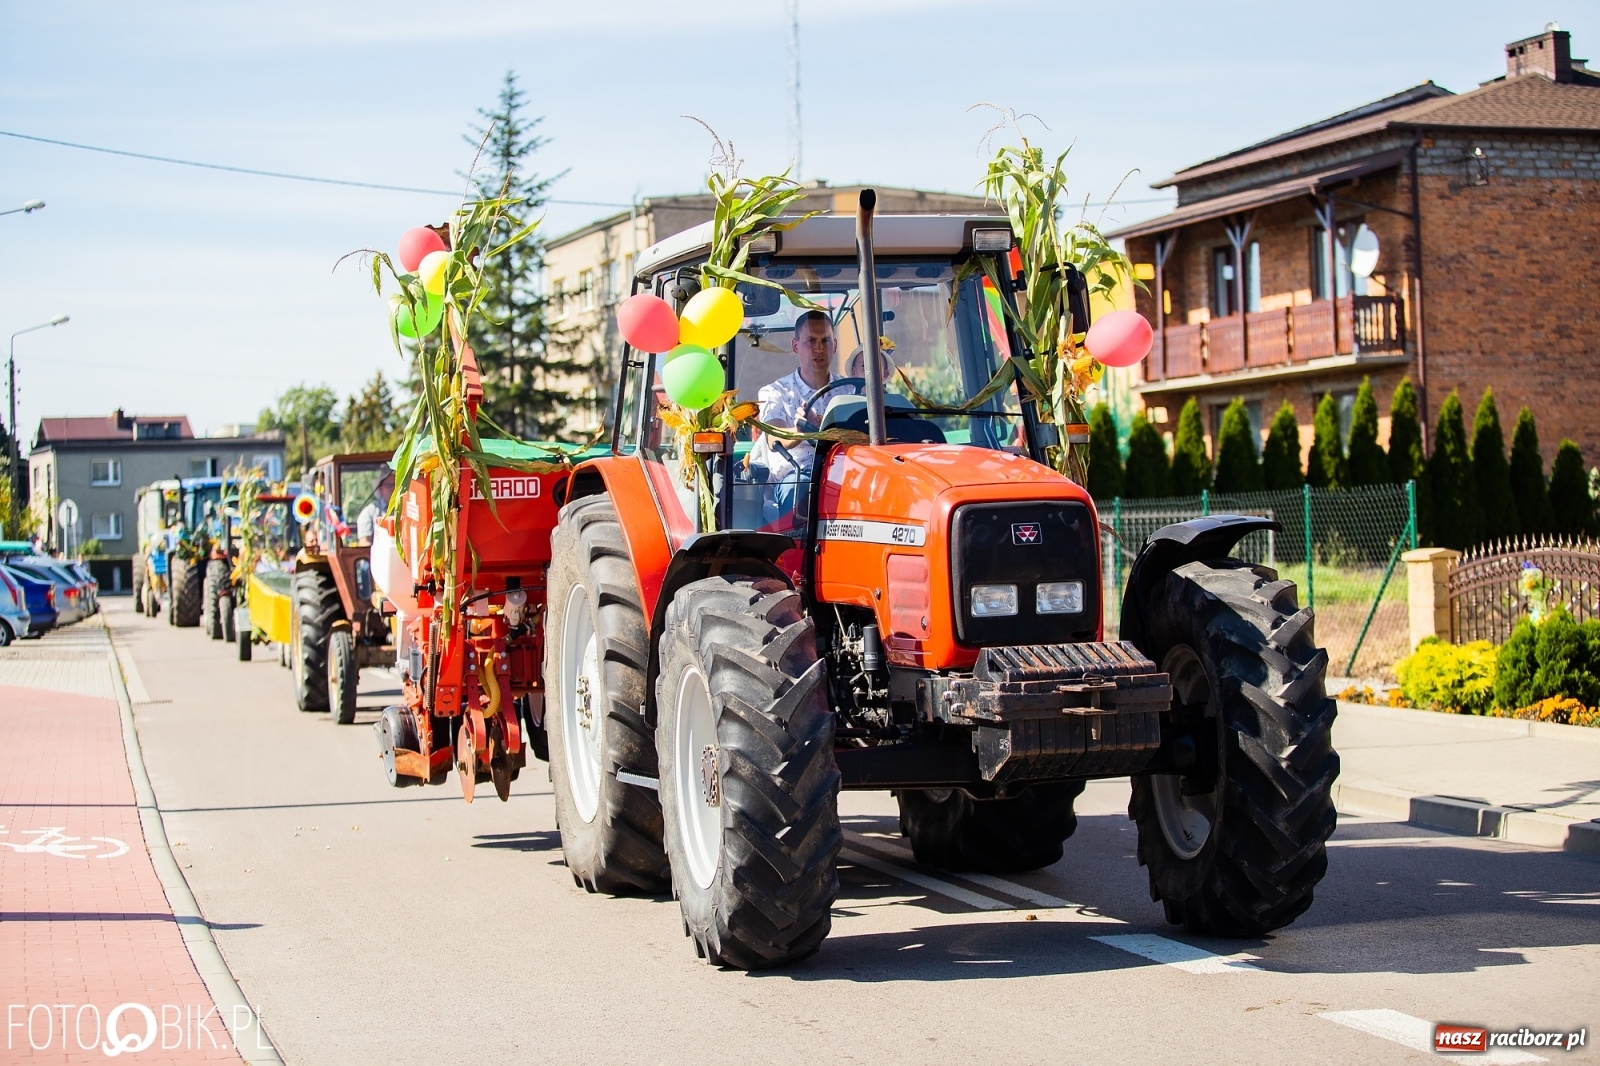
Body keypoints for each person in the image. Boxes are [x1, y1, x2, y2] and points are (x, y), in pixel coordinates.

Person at [748, 310, 838, 522]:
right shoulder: (775, 392)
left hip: (846, 472)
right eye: (811, 341)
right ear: (795, 346)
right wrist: (799, 431)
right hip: (799, 475)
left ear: (835, 344)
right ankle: (795, 553)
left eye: (825, 340)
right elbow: (773, 438)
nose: (819, 348)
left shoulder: (851, 390)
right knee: (796, 489)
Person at [356, 468, 396, 544]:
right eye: (388, 485)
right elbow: (364, 542)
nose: (393, 488)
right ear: (380, 489)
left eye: (395, 484)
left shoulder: (406, 509)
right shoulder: (369, 512)